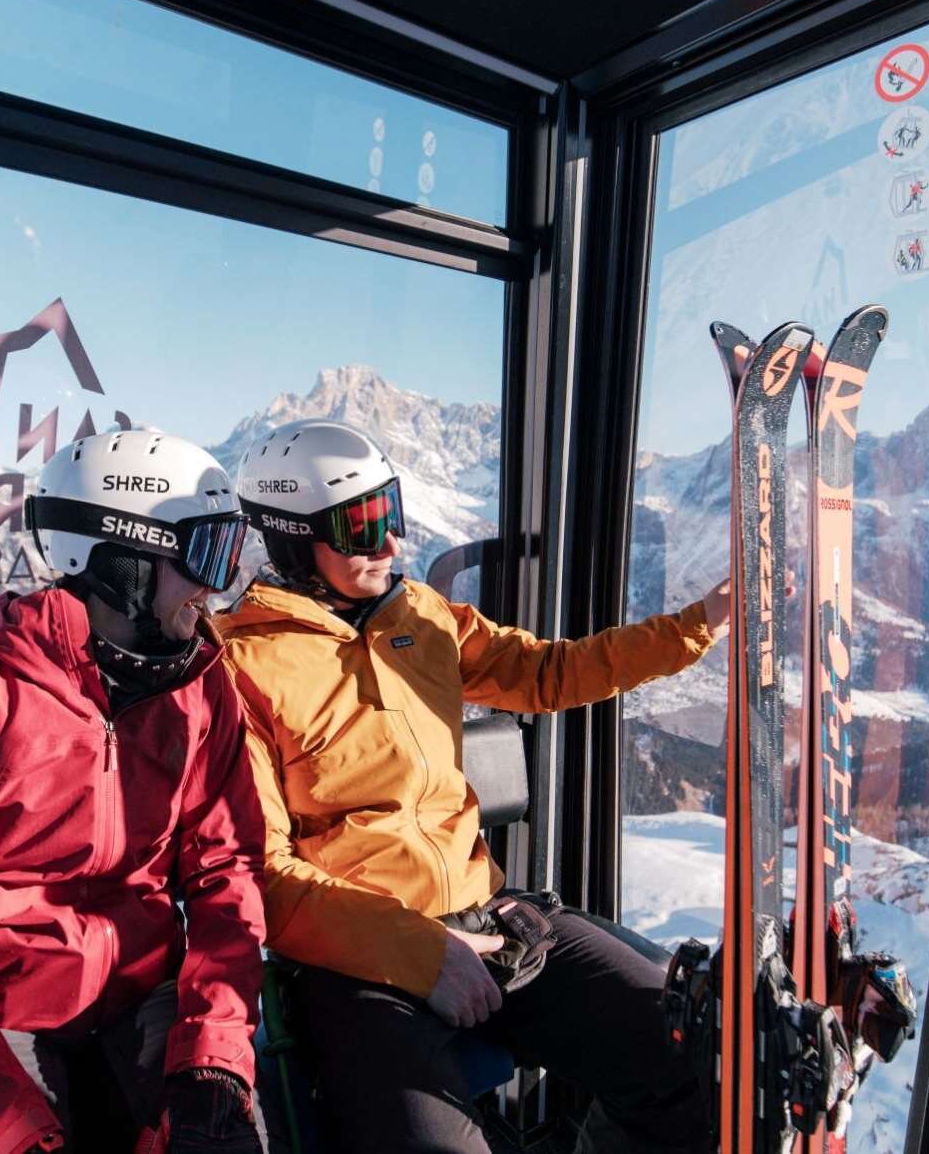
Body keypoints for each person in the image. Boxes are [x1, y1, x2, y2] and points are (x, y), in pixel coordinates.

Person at [213, 418, 733, 1153]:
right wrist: (421, 953)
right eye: (361, 527)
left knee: (690, 1056)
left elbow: (550, 671)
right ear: (292, 536)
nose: (390, 545)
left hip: (487, 918)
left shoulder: (419, 615)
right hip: (359, 962)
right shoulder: (239, 667)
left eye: (388, 513)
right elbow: (262, 874)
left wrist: (700, 622)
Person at [0, 430, 269, 1154]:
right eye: (203, 555)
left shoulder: (200, 688)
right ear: (122, 562)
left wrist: (212, 1060)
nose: (214, 586)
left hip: (141, 1003)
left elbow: (226, 875)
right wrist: (4, 1131)